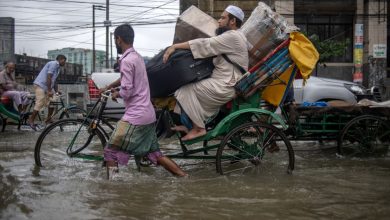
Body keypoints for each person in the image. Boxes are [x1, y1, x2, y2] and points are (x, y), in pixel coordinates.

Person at [102, 23, 187, 178]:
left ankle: (112, 189)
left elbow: (127, 91)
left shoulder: (126, 61)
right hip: (148, 114)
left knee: (110, 151)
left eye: (115, 40)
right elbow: (127, 81)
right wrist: (112, 87)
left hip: (136, 116)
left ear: (119, 39)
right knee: (155, 154)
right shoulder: (137, 57)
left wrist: (116, 94)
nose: (116, 43)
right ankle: (184, 176)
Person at [163, 5, 249, 141]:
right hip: (223, 82)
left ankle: (198, 128)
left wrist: (175, 46)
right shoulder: (235, 37)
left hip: (226, 85)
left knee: (184, 91)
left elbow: (205, 44)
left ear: (232, 21)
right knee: (186, 91)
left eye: (223, 17)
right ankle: (188, 125)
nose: (219, 21)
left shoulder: (233, 36)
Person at [27, 54, 67, 130]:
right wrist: (49, 91)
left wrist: (56, 91)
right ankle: (31, 120)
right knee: (40, 101)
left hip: (47, 87)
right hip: (40, 85)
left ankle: (48, 119)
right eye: (64, 61)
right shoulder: (54, 64)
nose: (65, 63)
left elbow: (54, 81)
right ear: (61, 59)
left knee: (53, 100)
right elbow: (49, 76)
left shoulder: (58, 68)